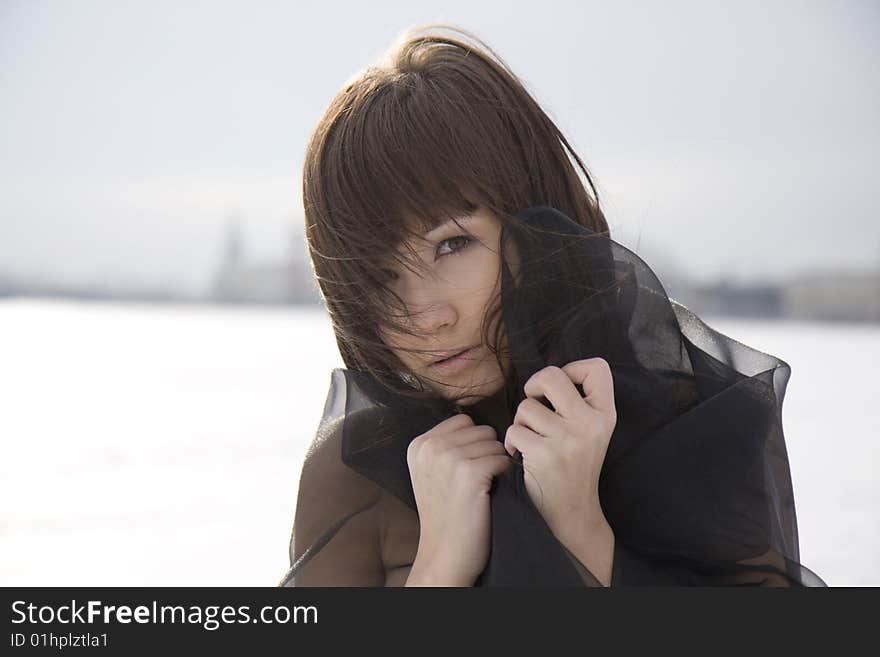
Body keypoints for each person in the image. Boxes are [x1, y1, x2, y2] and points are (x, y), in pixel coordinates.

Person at [279, 24, 827, 587]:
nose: (425, 315)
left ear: (533, 219)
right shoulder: (356, 473)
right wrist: (439, 567)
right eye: (377, 274)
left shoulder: (692, 424)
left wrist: (579, 529)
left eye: (452, 244)